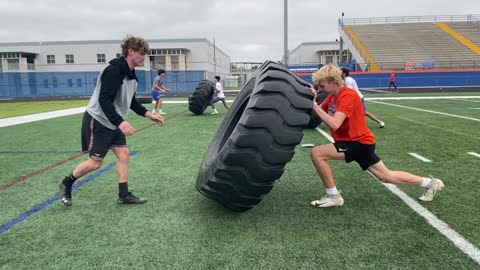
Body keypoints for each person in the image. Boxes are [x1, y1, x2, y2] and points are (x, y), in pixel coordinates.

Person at [308, 65, 444, 208]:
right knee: (386, 176)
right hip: (356, 142)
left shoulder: (349, 95)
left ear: (334, 83)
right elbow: (317, 112)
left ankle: (333, 196)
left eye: (322, 85)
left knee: (317, 153)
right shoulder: (332, 97)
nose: (320, 88)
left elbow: (335, 124)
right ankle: (431, 183)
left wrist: (315, 105)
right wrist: (312, 100)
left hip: (357, 143)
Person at [58, 35, 164, 207]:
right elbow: (104, 99)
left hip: (114, 121)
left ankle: (124, 195)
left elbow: (130, 101)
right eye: (141, 53)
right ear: (130, 51)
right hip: (99, 120)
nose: (144, 57)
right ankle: (66, 183)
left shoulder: (131, 76)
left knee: (123, 154)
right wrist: (121, 122)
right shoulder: (113, 70)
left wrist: (148, 114)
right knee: (95, 163)